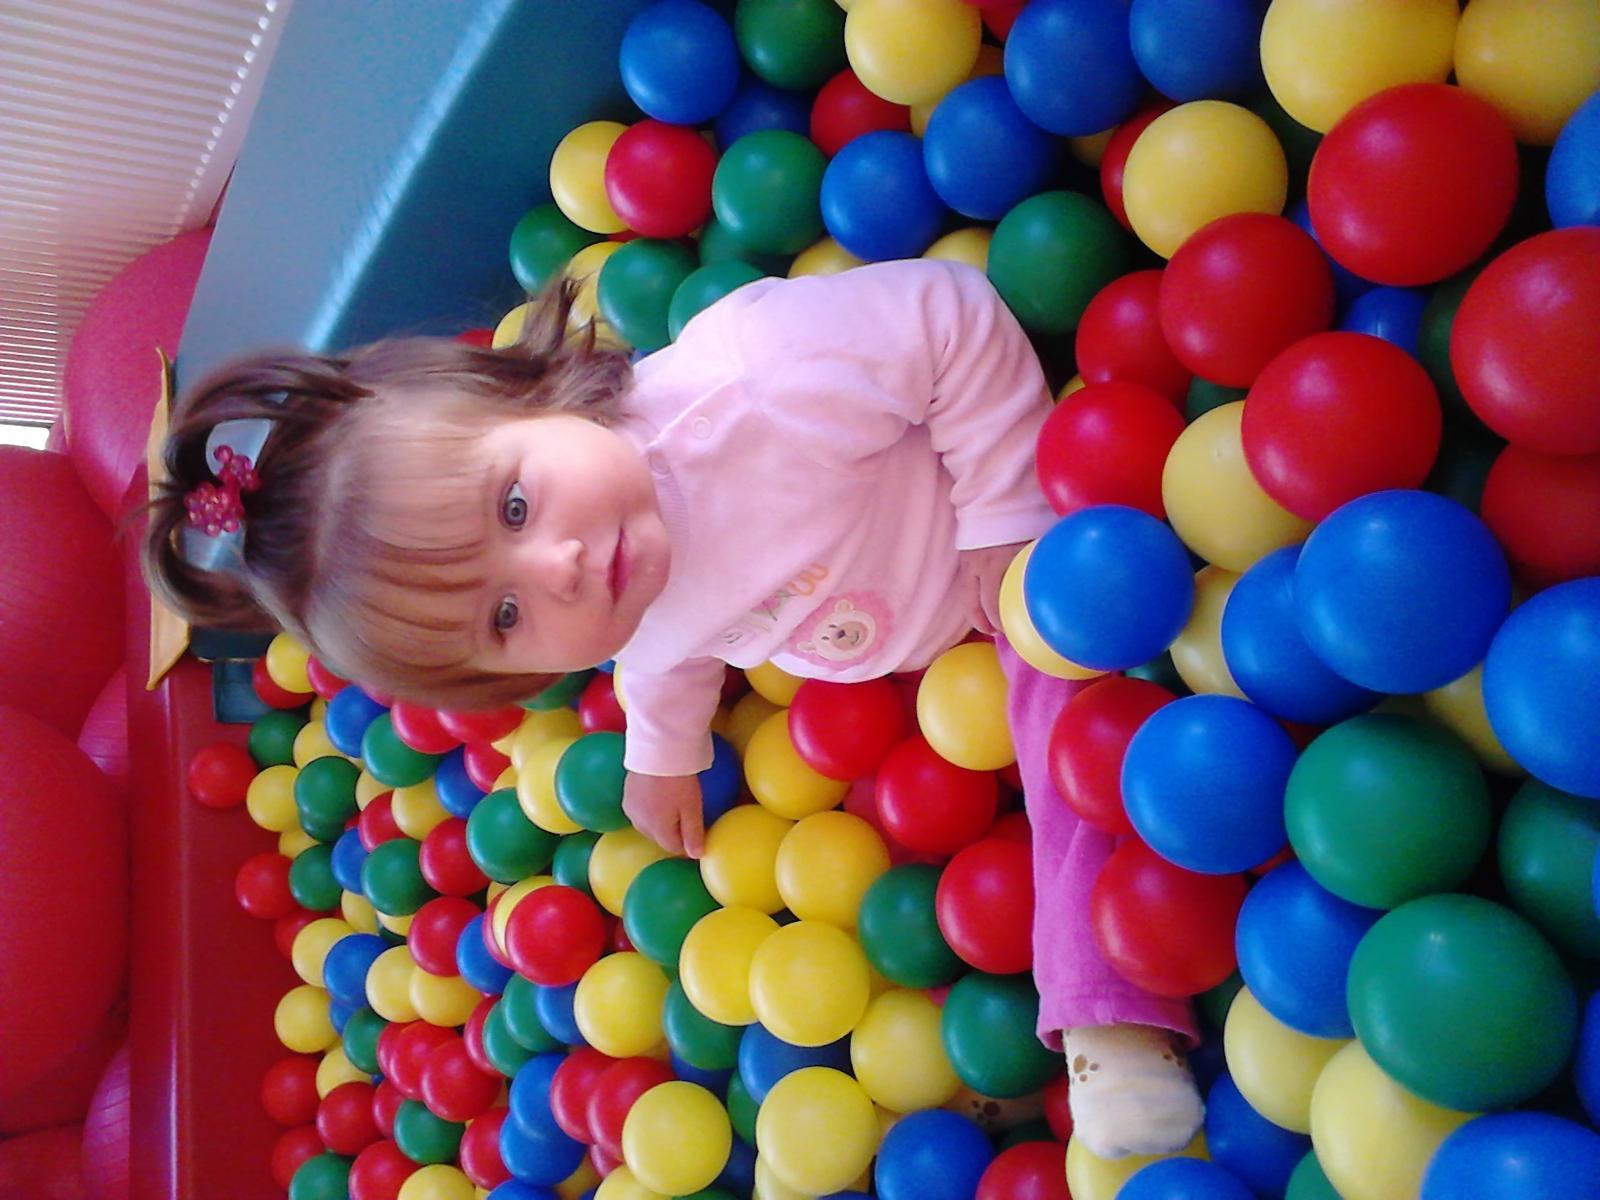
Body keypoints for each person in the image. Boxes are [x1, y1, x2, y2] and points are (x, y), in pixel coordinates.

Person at [144, 257, 1202, 1158]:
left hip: (1050, 553)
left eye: (512, 504)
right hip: (934, 658)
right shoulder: (619, 589)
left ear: (527, 399)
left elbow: (950, 314)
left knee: (1066, 735)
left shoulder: (757, 386)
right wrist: (662, 750)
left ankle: (1110, 1011)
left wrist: (999, 516)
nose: (557, 567)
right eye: (505, 615)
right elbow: (664, 651)